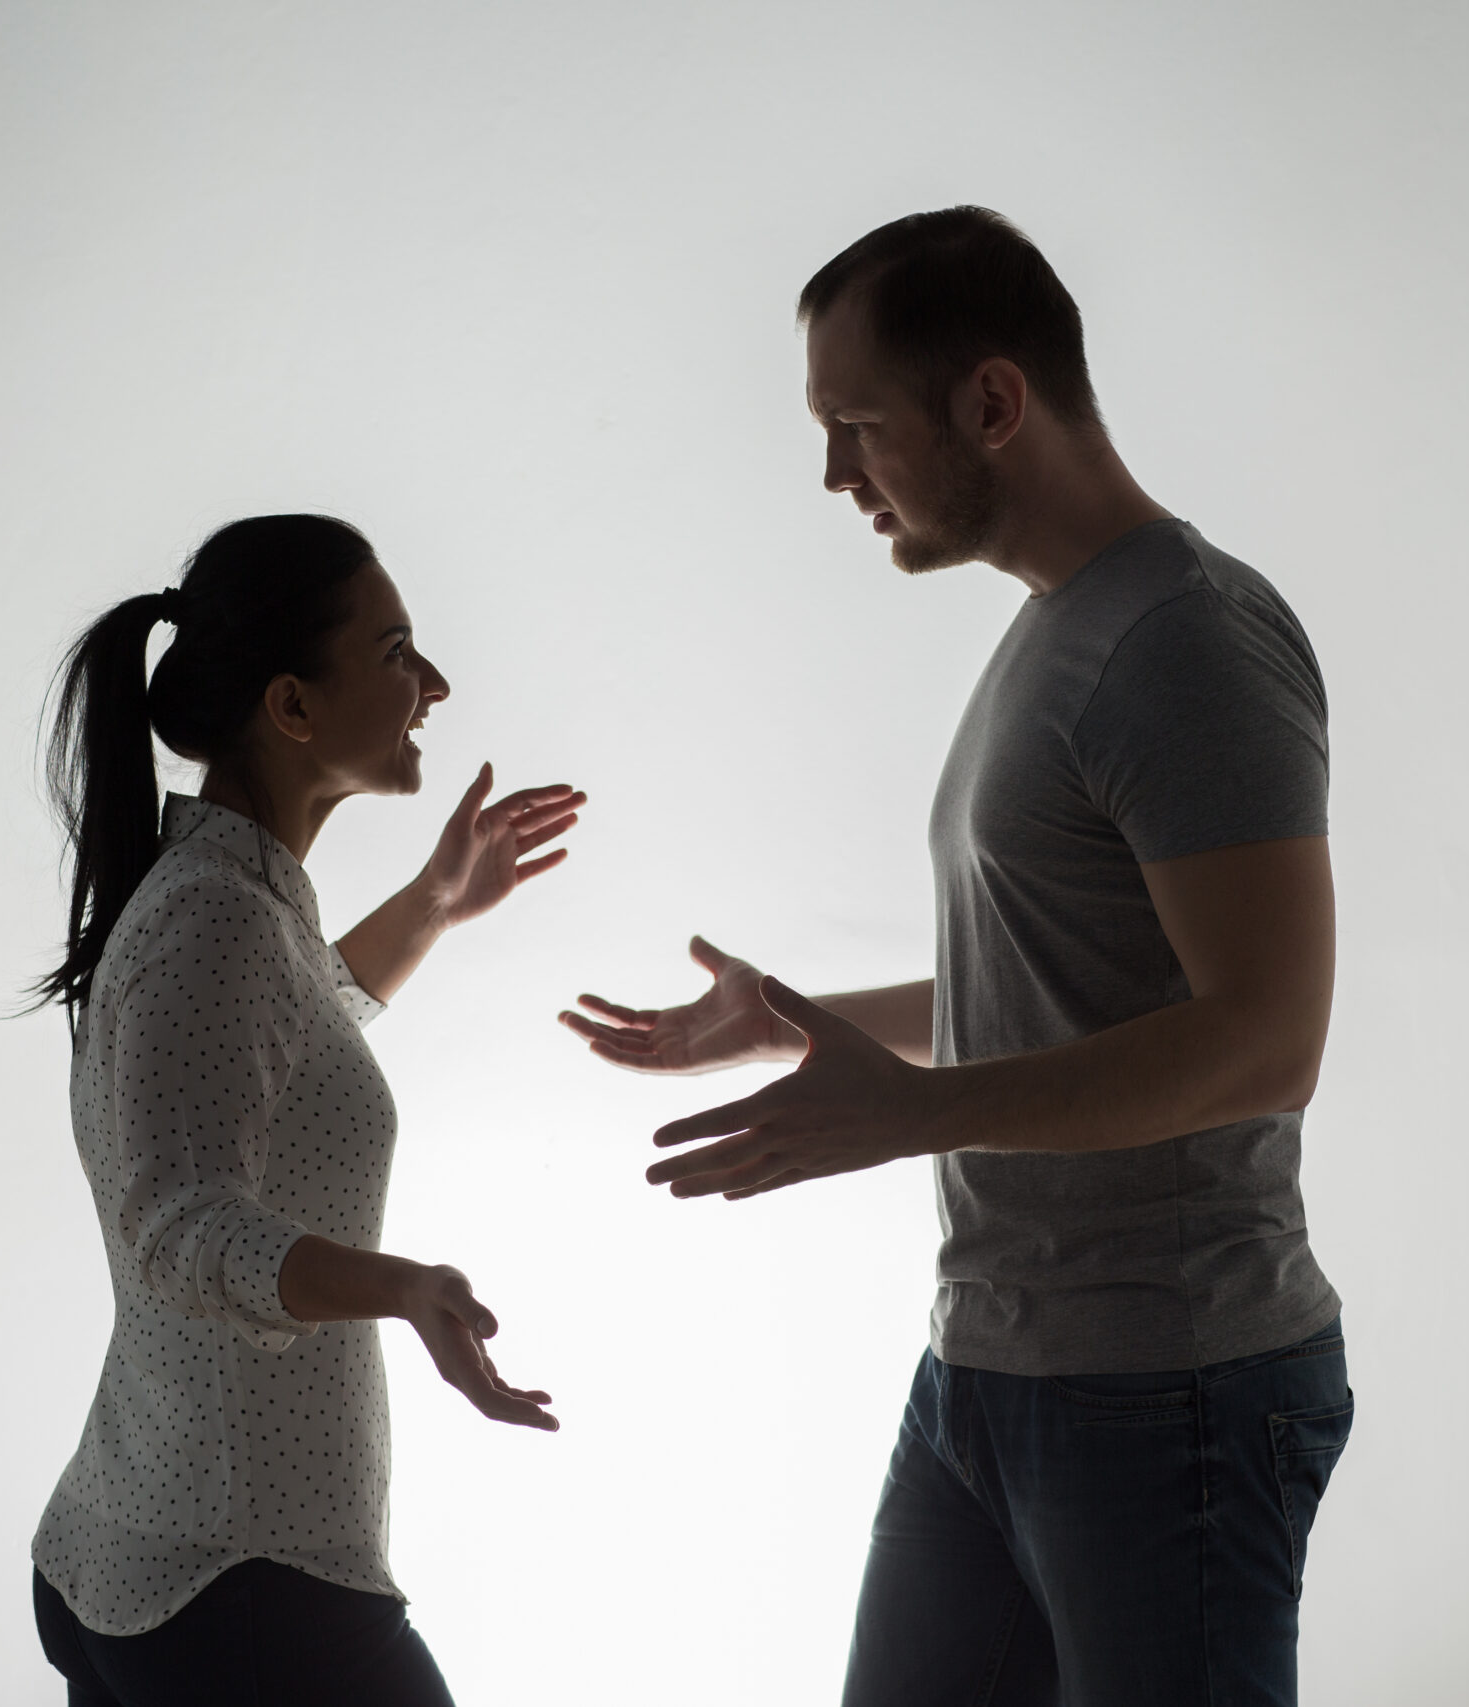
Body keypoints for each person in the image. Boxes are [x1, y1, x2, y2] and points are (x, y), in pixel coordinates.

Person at [562, 209, 1352, 1706]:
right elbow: (1070, 981)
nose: (834, 475)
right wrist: (788, 1026)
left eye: (855, 425)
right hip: (988, 1369)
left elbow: (1265, 1037)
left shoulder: (1188, 643)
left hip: (1169, 1384)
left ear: (993, 402)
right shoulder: (1060, 626)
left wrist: (915, 1112)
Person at [29, 514, 577, 1707]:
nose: (432, 685)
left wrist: (435, 902)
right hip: (237, 1586)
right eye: (395, 652)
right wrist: (402, 1285)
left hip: (161, 1562)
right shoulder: (211, 918)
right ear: (292, 707)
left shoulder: (232, 905)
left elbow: (290, 1030)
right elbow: (176, 1225)